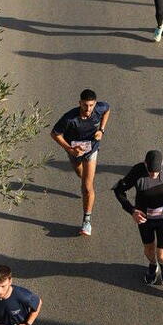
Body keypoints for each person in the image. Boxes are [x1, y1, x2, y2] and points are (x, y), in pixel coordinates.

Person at [114, 150, 163, 285]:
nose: (153, 175)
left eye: (156, 172)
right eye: (150, 172)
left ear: (162, 166)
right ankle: (152, 265)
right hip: (145, 220)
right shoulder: (137, 171)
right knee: (149, 251)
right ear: (145, 164)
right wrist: (132, 211)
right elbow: (119, 190)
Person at [51, 89, 111, 236]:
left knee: (87, 187)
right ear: (79, 103)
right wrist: (70, 149)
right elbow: (55, 133)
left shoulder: (99, 109)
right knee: (80, 174)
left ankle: (86, 221)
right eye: (85, 105)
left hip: (92, 151)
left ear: (95, 104)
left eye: (91, 105)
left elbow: (108, 110)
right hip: (75, 153)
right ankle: (85, 185)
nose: (88, 109)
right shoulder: (69, 118)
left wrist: (101, 130)